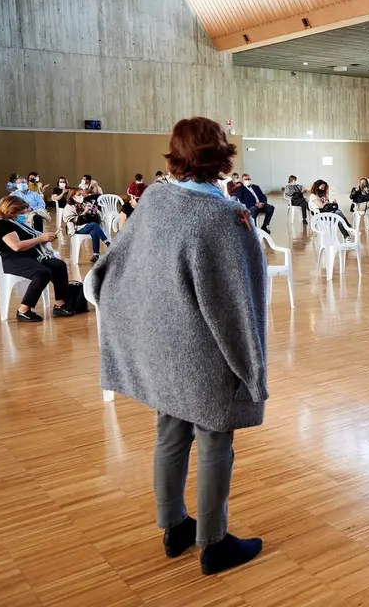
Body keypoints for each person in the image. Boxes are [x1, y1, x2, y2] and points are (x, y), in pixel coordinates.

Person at [89, 116, 267, 575]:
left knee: (170, 435)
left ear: (176, 153)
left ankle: (174, 527)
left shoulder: (154, 199)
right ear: (222, 155)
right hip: (206, 351)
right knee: (214, 441)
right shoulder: (226, 217)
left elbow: (116, 262)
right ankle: (215, 543)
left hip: (164, 346)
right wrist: (250, 366)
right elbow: (237, 303)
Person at [0, 195, 75, 321]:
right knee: (42, 273)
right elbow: (16, 246)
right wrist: (40, 239)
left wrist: (45, 239)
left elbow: (30, 240)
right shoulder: (3, 225)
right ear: (12, 210)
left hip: (29, 255)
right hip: (13, 259)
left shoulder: (17, 223)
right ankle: (23, 310)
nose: (24, 213)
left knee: (59, 266)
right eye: (21, 211)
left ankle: (60, 304)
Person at [64, 189, 110, 262]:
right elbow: (76, 221)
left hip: (87, 226)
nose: (81, 197)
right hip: (76, 228)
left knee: (94, 231)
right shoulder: (69, 207)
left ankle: (96, 254)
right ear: (72, 197)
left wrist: (94, 212)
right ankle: (107, 242)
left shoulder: (84, 204)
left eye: (82, 195)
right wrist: (85, 212)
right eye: (79, 195)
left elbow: (96, 220)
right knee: (93, 225)